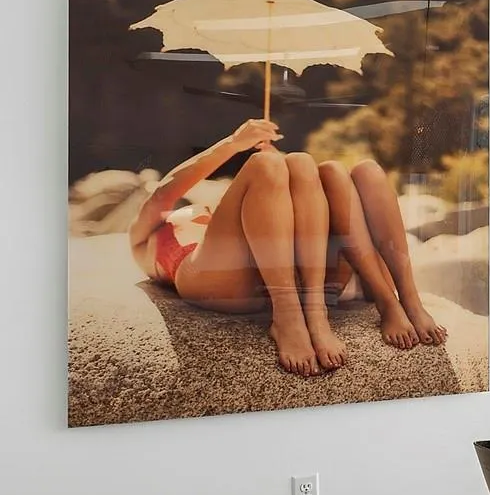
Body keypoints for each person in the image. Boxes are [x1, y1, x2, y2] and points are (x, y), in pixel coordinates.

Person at [127, 118, 447, 377]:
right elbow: (162, 193)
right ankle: (289, 318)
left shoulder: (215, 215)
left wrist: (284, 179)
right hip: (213, 280)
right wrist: (234, 144)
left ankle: (402, 301)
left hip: (291, 273)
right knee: (266, 165)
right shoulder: (147, 233)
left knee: (341, 169)